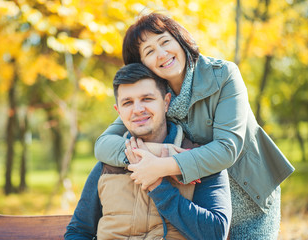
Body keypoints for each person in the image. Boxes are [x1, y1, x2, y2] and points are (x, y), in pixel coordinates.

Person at [94, 13, 295, 239]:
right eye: (149, 51)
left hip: (250, 198)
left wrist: (161, 166)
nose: (162, 54)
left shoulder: (224, 76)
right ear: (142, 64)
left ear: (179, 39)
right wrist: (155, 152)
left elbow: (226, 149)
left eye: (165, 42)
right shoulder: (152, 98)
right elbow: (103, 145)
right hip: (199, 209)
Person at [65, 63, 231, 240]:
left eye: (147, 99)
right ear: (119, 112)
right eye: (128, 102)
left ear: (166, 103)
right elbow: (78, 231)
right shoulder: (107, 165)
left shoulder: (199, 158)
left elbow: (215, 233)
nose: (138, 109)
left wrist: (157, 184)